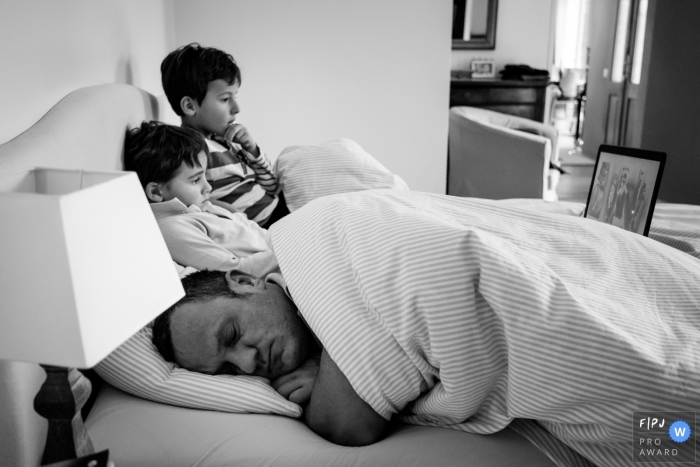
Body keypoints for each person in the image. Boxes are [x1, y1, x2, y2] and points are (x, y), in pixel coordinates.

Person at [152, 190, 700, 466]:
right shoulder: (317, 317)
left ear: (245, 283)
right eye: (228, 368)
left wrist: (327, 370)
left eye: (231, 338)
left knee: (677, 399)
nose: (248, 363)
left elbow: (347, 424)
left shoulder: (315, 231)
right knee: (671, 433)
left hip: (584, 289)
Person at [124, 121, 278, 276]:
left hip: (276, 244)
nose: (208, 187)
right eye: (196, 180)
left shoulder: (196, 207)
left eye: (204, 175)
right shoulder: (172, 228)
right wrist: (286, 253)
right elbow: (235, 270)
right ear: (156, 192)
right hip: (279, 264)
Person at [161, 42, 289, 227]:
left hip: (279, 208)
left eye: (234, 97)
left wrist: (252, 150)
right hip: (265, 224)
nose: (236, 109)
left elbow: (273, 187)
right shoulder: (192, 152)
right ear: (190, 106)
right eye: (225, 99)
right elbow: (195, 200)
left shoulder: (228, 140)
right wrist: (237, 220)